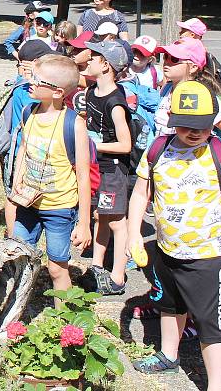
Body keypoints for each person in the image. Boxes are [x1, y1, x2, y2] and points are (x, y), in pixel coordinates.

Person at [127, 81, 221, 388]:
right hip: (167, 247)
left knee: (212, 323)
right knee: (170, 306)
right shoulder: (159, 147)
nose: (194, 132)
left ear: (214, 120)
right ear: (172, 119)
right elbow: (140, 192)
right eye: (185, 125)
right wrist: (134, 234)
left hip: (210, 253)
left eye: (201, 125)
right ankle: (168, 355)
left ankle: (217, 384)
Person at [7, 54, 92, 305]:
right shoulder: (27, 111)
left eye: (37, 79)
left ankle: (65, 324)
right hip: (28, 205)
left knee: (56, 268)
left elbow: (84, 175)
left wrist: (84, 222)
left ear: (56, 92)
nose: (29, 81)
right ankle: (8, 316)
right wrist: (16, 185)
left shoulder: (73, 124)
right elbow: (23, 149)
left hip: (59, 208)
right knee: (17, 260)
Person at [82, 40, 132, 295]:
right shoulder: (92, 91)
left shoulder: (115, 103)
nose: (87, 60)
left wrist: (93, 144)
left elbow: (125, 145)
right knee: (101, 215)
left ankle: (118, 276)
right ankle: (97, 267)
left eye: (93, 57)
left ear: (105, 65)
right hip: (97, 166)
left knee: (117, 221)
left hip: (113, 170)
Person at [0, 39, 57, 237]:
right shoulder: (27, 90)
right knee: (14, 195)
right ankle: (12, 236)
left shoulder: (21, 84)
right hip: (20, 151)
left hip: (25, 150)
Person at [153, 39, 221, 148]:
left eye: (174, 59)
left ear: (193, 67)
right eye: (166, 56)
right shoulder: (167, 88)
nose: (166, 62)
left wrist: (203, 155)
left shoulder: (204, 96)